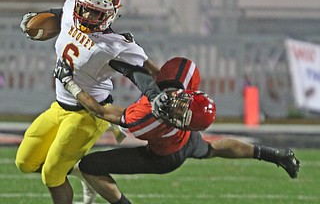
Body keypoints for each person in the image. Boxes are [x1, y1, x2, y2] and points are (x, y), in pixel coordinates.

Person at [54, 56, 300, 204]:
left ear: (179, 122)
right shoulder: (185, 80)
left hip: (163, 157)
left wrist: (69, 82)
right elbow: (152, 73)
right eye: (184, 103)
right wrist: (123, 55)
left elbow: (100, 110)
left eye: (180, 112)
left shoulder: (149, 121)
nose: (177, 104)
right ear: (192, 92)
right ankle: (275, 155)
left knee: (90, 166)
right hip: (188, 142)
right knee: (211, 149)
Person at [15, 0, 159, 204]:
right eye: (84, 9)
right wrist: (39, 21)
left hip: (88, 115)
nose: (86, 16)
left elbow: (136, 74)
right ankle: (80, 174)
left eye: (95, 13)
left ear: (110, 15)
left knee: (52, 175)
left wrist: (153, 94)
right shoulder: (72, 9)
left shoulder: (111, 46)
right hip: (60, 105)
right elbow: (60, 15)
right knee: (25, 162)